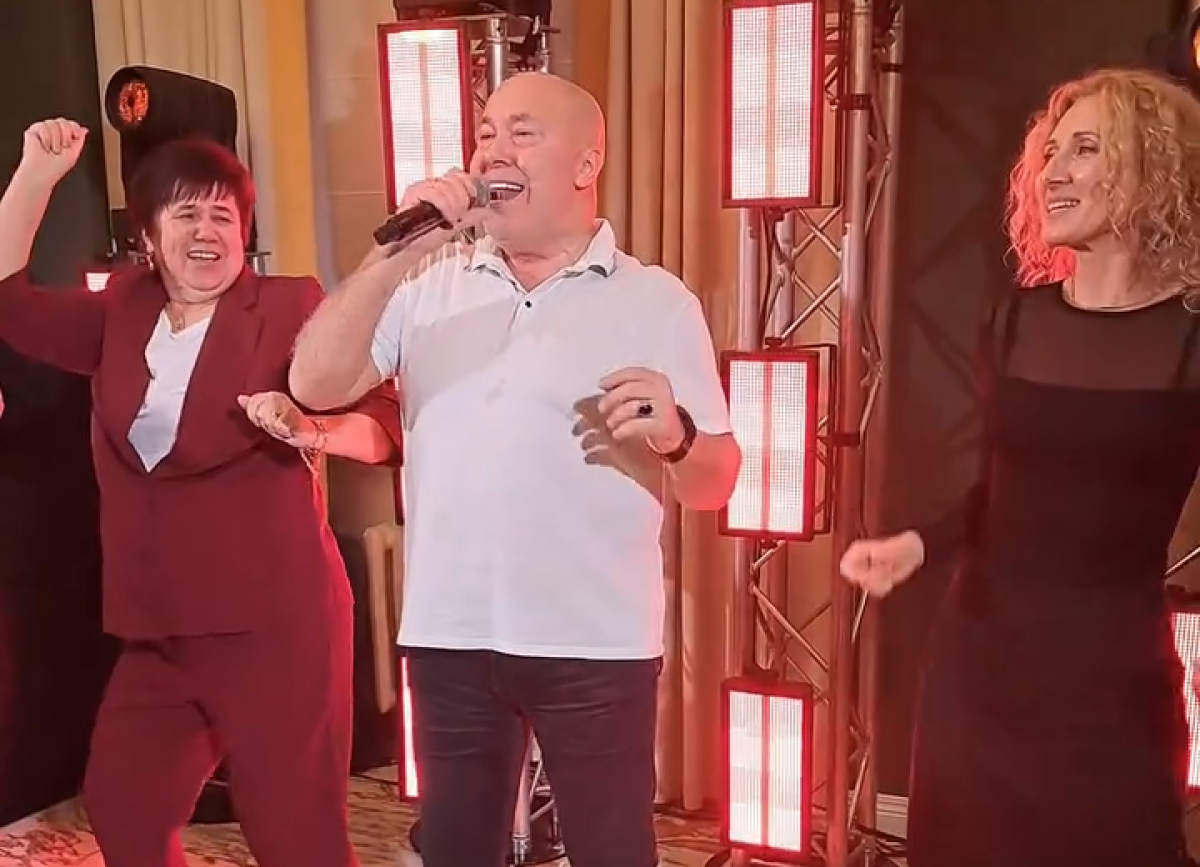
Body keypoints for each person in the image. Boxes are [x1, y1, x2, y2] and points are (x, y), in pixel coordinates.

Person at [289, 72, 741, 867]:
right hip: (450, 634)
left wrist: (676, 435)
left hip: (596, 641)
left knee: (613, 853)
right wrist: (395, 254)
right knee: (456, 850)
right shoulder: (429, 283)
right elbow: (314, 383)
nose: (493, 151)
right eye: (486, 133)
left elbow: (716, 484)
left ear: (586, 162)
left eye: (521, 133)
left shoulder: (656, 300)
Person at [0, 120, 403, 867]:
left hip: (273, 627)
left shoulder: (289, 305)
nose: (207, 230)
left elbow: (385, 424)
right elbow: (7, 302)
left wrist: (313, 429)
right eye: (186, 213)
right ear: (149, 236)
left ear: (244, 231)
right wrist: (35, 177)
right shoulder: (122, 310)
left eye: (224, 214)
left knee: (295, 836)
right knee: (124, 807)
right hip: (158, 628)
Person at [839, 68, 1200, 867]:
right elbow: (1007, 493)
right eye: (1049, 154)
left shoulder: (1190, 341)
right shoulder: (1016, 324)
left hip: (1112, 675)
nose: (1053, 173)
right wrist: (919, 545)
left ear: (1155, 166)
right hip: (982, 659)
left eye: (1085, 149)